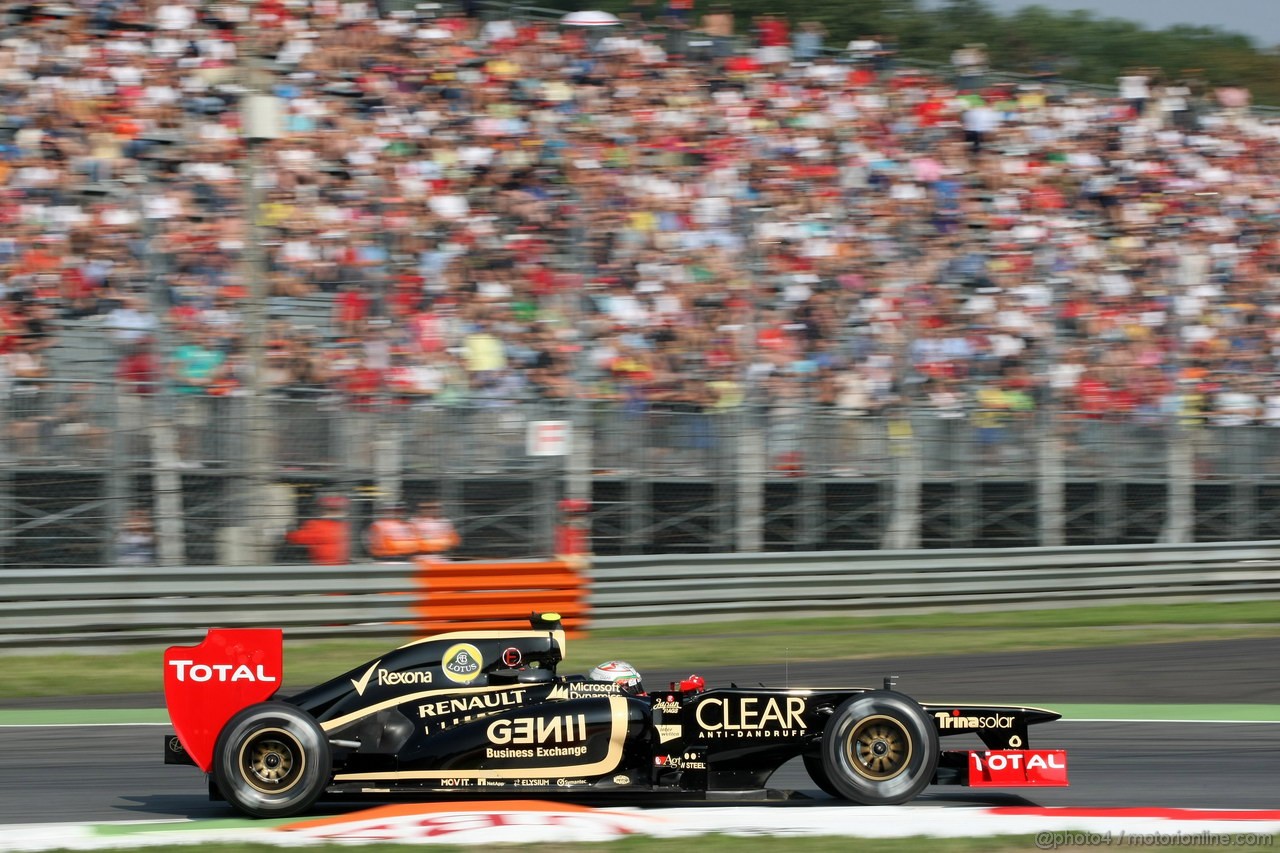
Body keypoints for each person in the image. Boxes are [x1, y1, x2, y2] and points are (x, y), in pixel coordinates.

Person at [285, 495, 350, 565]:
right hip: (343, 567)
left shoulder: (318, 525)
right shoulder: (347, 526)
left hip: (323, 567)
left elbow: (298, 537)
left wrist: (289, 533)